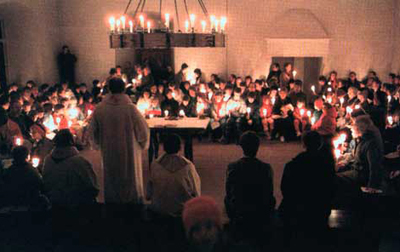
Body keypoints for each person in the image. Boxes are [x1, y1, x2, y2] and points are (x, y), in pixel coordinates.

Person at [90, 78, 150, 204]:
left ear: (109, 89)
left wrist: (97, 145)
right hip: (130, 150)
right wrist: (143, 144)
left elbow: (92, 131)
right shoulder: (130, 109)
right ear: (124, 89)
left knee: (112, 177)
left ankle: (113, 205)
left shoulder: (100, 108)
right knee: (130, 177)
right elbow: (143, 131)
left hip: (109, 150)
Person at [280, 131, 335, 250]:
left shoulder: (292, 165)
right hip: (320, 210)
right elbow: (331, 189)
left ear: (303, 144)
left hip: (296, 210)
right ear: (319, 144)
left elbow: (285, 189)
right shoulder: (327, 166)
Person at [225, 131, 275, 245]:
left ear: (241, 147)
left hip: (239, 210)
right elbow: (270, 192)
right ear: (258, 147)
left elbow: (228, 192)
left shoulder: (233, 167)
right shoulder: (265, 168)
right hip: (260, 211)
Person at [147, 134, 201, 217]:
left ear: (164, 147)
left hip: (159, 208)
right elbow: (196, 189)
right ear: (180, 148)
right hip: (181, 209)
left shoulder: (155, 164)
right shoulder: (188, 166)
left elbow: (149, 192)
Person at [42, 129, 99, 206]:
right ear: (71, 142)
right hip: (76, 206)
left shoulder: (48, 160)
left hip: (54, 204)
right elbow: (92, 186)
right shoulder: (78, 162)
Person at [337, 115, 384, 193]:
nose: (351, 129)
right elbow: (354, 154)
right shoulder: (359, 139)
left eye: (354, 126)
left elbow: (374, 166)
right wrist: (344, 161)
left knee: (336, 178)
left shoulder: (370, 144)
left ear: (359, 128)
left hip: (361, 174)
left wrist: (372, 186)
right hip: (356, 169)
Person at [0, 146, 47, 210]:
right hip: (28, 203)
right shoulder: (31, 171)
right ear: (27, 157)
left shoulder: (9, 171)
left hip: (12, 202)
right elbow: (41, 185)